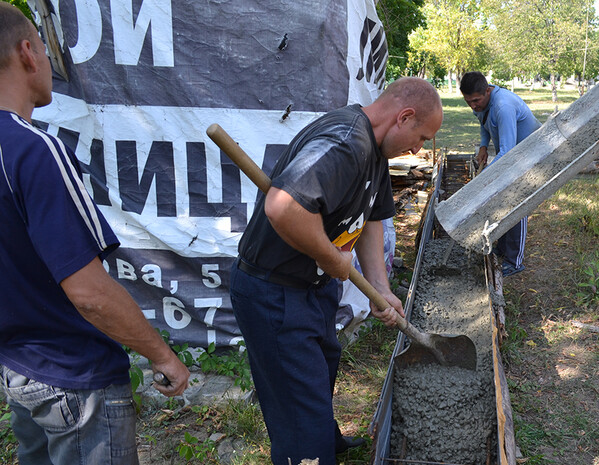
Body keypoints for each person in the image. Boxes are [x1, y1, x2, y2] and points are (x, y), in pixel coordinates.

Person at [0, 4, 190, 464]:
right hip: (74, 379)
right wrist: (163, 355)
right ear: (28, 53)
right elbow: (88, 292)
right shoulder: (34, 149)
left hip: (19, 368)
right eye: (44, 48)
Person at [229, 77, 442, 464]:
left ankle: (322, 439)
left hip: (311, 286)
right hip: (274, 291)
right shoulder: (346, 143)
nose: (417, 148)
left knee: (321, 367)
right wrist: (332, 259)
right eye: (421, 137)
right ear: (404, 116)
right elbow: (282, 208)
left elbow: (373, 216)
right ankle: (308, 450)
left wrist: (378, 285)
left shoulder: (375, 150)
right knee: (298, 407)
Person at [460, 71, 541, 277]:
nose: (473, 106)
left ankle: (515, 261)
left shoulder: (502, 106)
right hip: (513, 155)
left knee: (516, 203)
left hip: (530, 154)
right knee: (502, 202)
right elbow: (483, 122)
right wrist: (483, 146)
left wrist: (485, 178)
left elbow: (507, 151)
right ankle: (503, 248)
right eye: (468, 102)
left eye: (476, 100)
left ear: (488, 91)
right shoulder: (481, 104)